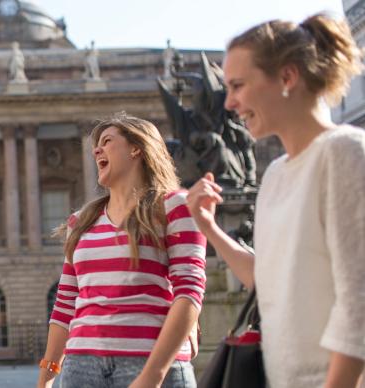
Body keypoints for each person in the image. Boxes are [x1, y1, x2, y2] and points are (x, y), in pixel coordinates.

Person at [186, 13, 365, 388]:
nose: (230, 103)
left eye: (237, 85)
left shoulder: (345, 154)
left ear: (287, 77)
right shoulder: (276, 174)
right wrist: (210, 228)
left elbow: (359, 304)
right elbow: (266, 281)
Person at [37, 114, 207, 388]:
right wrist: (45, 379)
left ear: (136, 148)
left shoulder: (175, 206)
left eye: (107, 141)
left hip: (149, 360)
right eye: (96, 145)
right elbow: (65, 304)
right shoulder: (80, 222)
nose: (96, 150)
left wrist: (153, 375)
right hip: (82, 366)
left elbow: (189, 292)